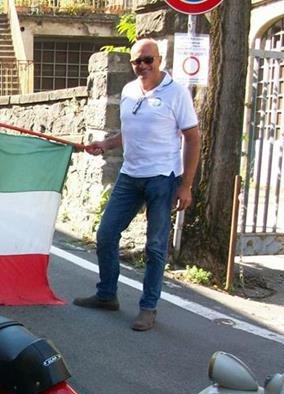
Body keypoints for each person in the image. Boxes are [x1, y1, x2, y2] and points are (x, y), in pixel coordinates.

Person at [74, 38, 201, 331]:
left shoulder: (176, 93)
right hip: (130, 175)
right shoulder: (130, 91)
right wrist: (105, 144)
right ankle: (107, 294)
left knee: (155, 246)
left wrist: (186, 185)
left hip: (162, 178)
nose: (142, 65)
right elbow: (129, 131)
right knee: (106, 234)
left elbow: (193, 138)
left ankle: (148, 308)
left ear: (159, 60)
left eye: (148, 60)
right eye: (137, 61)